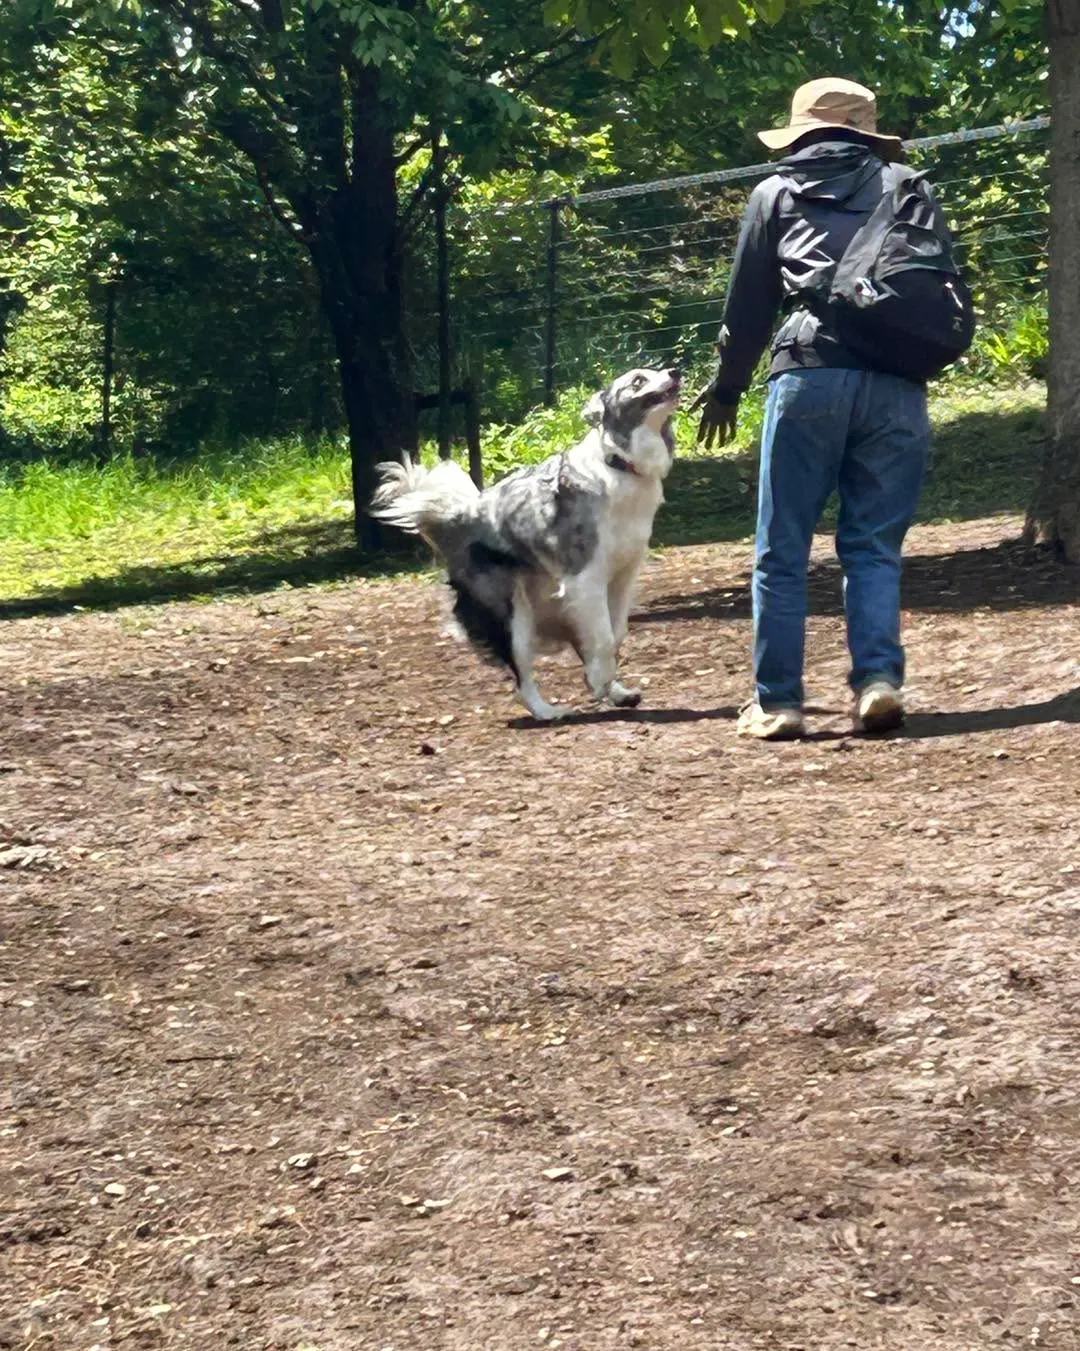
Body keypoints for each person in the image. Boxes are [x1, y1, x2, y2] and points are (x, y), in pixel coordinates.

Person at [694, 77, 953, 740]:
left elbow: (748, 310)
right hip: (898, 381)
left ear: (804, 130)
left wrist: (727, 388)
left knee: (781, 547)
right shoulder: (908, 186)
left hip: (809, 375)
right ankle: (878, 682)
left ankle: (778, 701)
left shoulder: (774, 193)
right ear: (865, 130)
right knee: (872, 545)